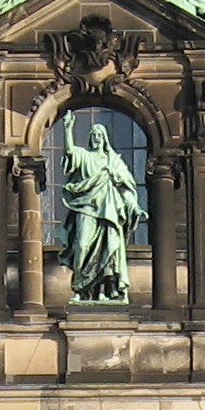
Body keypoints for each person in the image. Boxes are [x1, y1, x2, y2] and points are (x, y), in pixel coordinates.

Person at [60, 120, 147, 303]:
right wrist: (68, 129)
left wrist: (135, 207)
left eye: (100, 135)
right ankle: (81, 288)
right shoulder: (84, 156)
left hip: (109, 212)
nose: (97, 138)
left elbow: (125, 188)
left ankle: (105, 291)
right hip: (86, 208)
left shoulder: (113, 161)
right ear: (90, 138)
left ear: (105, 139)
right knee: (82, 246)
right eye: (94, 135)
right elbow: (70, 151)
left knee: (109, 251)